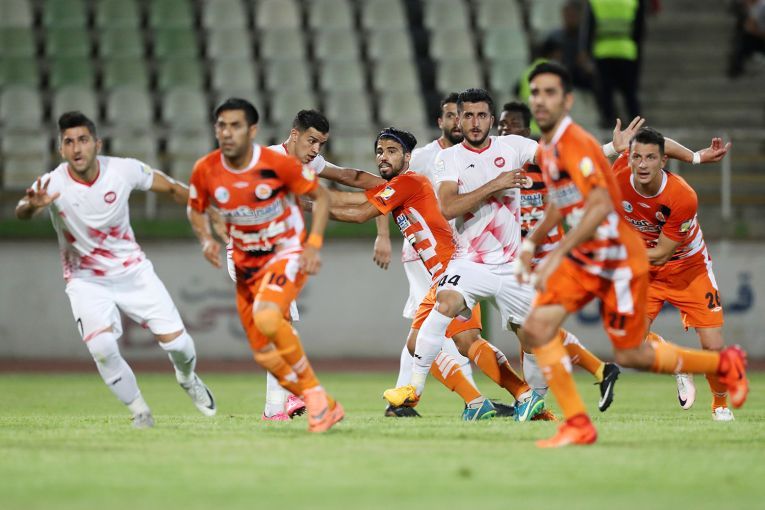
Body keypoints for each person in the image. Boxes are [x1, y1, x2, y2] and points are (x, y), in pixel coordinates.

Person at [518, 61, 748, 448]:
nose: (540, 100)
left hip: (647, 263)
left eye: (550, 92)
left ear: (568, 100)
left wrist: (558, 253)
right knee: (537, 328)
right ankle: (578, 423)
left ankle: (721, 370)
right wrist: (532, 243)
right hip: (601, 257)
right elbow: (564, 199)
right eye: (535, 92)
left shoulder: (675, 193)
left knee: (634, 354)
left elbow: (609, 215)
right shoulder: (553, 148)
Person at [15, 111, 216, 428]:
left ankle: (187, 378)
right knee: (102, 348)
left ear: (97, 144)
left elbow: (172, 188)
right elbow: (22, 210)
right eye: (69, 142)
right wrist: (31, 205)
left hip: (133, 272)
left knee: (179, 345)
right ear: (61, 149)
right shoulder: (52, 183)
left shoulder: (123, 170)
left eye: (83, 140)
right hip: (85, 280)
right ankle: (140, 411)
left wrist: (209, 211)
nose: (77, 148)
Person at [327, 127, 538, 421]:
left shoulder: (410, 182)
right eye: (379, 151)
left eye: (391, 151)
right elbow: (352, 196)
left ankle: (523, 395)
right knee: (422, 344)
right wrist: (311, 199)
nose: (383, 156)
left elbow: (360, 213)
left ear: (408, 157)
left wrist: (309, 204)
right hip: (440, 277)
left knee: (466, 341)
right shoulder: (397, 186)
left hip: (456, 271)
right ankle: (478, 402)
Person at [187, 98, 343, 433]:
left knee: (274, 321)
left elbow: (323, 197)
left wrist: (313, 244)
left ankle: (286, 406)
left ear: (252, 130)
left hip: (282, 253)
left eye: (236, 126)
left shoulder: (277, 163)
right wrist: (206, 237)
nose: (228, 133)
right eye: (222, 126)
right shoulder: (206, 168)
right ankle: (307, 400)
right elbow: (197, 206)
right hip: (243, 259)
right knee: (265, 347)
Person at [223, 110, 389, 422]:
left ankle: (281, 404)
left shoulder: (307, 162)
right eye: (311, 141)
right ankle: (281, 404)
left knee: (281, 328)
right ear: (294, 135)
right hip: (250, 256)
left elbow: (349, 176)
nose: (315, 149)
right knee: (280, 326)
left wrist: (391, 186)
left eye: (321, 144)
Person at [387, 93, 507, 418]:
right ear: (441, 121)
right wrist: (382, 236)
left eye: (461, 115)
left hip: (453, 252)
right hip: (422, 254)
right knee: (442, 330)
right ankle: (473, 399)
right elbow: (388, 192)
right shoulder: (425, 157)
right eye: (451, 115)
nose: (457, 121)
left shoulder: (466, 157)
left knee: (425, 332)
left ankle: (402, 403)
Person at [499, 101, 621, 412]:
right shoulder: (497, 165)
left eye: (511, 125)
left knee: (534, 326)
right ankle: (534, 400)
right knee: (525, 333)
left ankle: (539, 400)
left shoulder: (542, 160)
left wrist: (610, 149)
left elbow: (576, 164)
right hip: (517, 260)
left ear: (527, 131)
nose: (504, 131)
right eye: (501, 125)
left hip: (548, 258)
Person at [612, 126, 738, 420]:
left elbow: (662, 254)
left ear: (664, 160)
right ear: (628, 158)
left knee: (713, 345)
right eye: (637, 157)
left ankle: (720, 405)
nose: (643, 164)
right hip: (646, 272)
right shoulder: (617, 178)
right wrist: (695, 157)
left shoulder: (682, 196)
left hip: (688, 268)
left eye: (651, 158)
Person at [580, 0, 646, 127]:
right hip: (626, 50)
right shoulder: (632, 2)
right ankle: (637, 123)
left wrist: (585, 51)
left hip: (603, 51)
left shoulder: (596, 2)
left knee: (606, 91)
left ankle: (609, 121)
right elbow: (639, 30)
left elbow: (588, 28)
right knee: (629, 92)